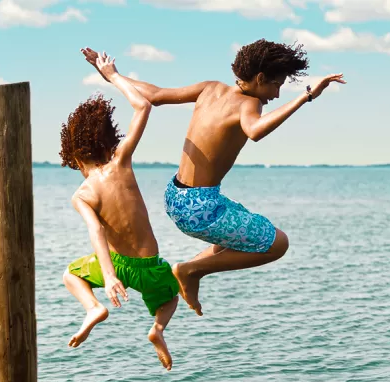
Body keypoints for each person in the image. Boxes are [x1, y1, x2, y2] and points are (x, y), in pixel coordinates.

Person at [81, 39, 346, 317]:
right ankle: (190, 270)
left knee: (238, 235)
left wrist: (113, 76)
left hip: (175, 196)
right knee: (278, 244)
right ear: (259, 78)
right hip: (201, 208)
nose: (277, 94)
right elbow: (255, 131)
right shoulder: (250, 103)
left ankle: (188, 273)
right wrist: (306, 96)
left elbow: (156, 95)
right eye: (276, 85)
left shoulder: (210, 88)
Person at [61, 52, 179, 370]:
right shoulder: (121, 162)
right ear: (106, 141)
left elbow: (96, 231)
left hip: (117, 267)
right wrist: (111, 74)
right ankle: (157, 330)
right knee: (170, 297)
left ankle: (93, 308)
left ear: (73, 156)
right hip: (150, 266)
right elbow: (143, 105)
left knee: (71, 275)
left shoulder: (81, 195)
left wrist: (110, 276)